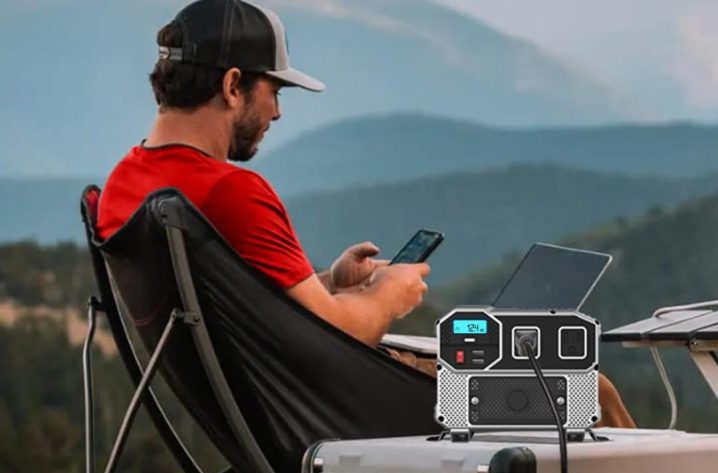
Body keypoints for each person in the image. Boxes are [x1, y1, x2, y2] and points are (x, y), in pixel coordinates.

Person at [97, 0, 634, 428]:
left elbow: (242, 303)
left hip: (260, 416)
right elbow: (336, 336)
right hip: (339, 413)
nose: (278, 112)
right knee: (592, 395)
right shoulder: (231, 192)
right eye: (273, 90)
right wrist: (388, 295)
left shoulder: (127, 184)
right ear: (233, 85)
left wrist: (330, 281)